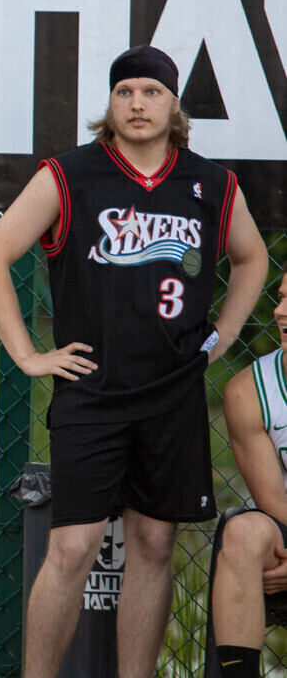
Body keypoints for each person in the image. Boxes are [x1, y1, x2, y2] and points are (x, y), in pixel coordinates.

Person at [0, 44, 268, 678]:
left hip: (172, 391)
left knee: (155, 544)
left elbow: (253, 258)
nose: (138, 104)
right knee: (72, 546)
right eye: (126, 92)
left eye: (152, 92)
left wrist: (222, 332)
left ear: (174, 104)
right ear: (110, 103)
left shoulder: (211, 184)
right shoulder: (69, 175)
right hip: (93, 391)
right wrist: (27, 354)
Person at [210, 272, 287, 678]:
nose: (280, 312)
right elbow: (275, 506)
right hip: (286, 535)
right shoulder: (251, 390)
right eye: (280, 297)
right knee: (242, 532)